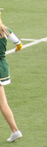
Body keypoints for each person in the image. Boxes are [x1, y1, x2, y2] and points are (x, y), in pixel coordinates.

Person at [0, 12, 23, 142]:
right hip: (3, 67)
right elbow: (19, 44)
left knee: (3, 103)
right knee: (3, 103)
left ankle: (15, 130)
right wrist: (17, 49)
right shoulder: (5, 30)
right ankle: (15, 131)